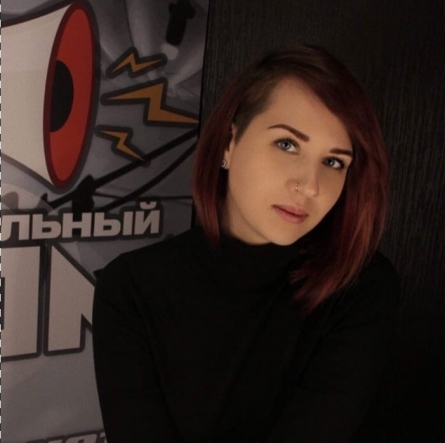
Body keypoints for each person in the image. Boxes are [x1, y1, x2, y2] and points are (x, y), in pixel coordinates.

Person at [92, 45, 399, 443]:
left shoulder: (359, 288)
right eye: (287, 144)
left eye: (333, 162)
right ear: (228, 142)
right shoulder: (130, 289)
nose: (310, 186)